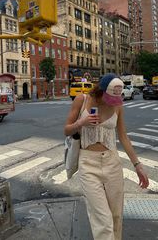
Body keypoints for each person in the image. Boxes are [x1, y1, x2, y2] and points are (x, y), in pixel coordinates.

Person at [64, 73, 149, 240]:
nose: (112, 102)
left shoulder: (118, 105)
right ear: (101, 91)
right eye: (110, 97)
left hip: (112, 161)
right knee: (102, 219)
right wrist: (81, 123)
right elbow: (66, 130)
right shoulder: (82, 100)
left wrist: (137, 164)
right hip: (88, 162)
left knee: (116, 215)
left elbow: (123, 136)